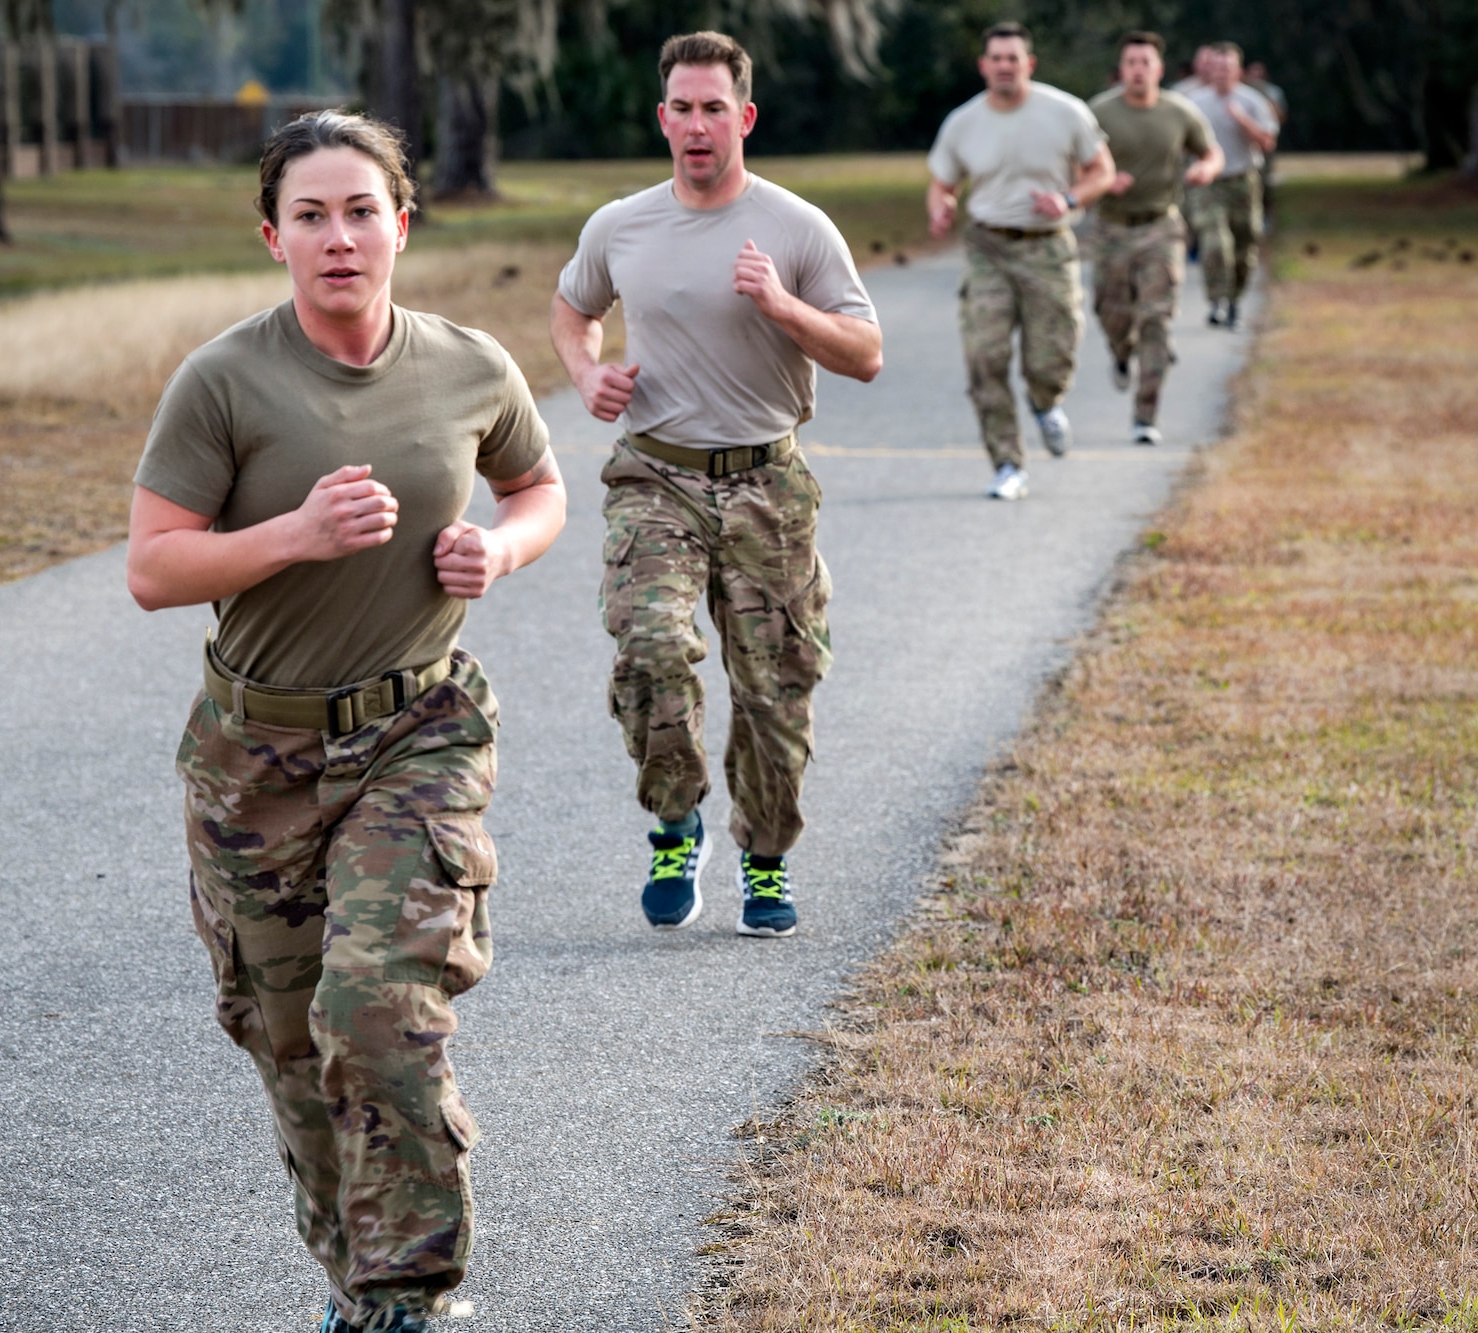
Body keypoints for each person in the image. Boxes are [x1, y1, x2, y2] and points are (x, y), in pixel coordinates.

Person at [125, 110, 566, 1333]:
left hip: (417, 728)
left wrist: (503, 546)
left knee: (375, 1009)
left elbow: (537, 484)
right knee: (285, 1040)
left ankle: (406, 1297)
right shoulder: (223, 380)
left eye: (361, 210)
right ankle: (357, 1278)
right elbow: (155, 569)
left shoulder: (469, 363)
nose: (338, 237)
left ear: (401, 226)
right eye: (310, 215)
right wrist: (294, 537)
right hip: (252, 758)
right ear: (273, 237)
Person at [551, 30, 881, 939]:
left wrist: (781, 305)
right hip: (653, 475)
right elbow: (573, 307)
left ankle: (765, 858)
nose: (699, 126)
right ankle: (676, 820)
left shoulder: (795, 227)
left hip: (767, 483)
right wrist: (586, 376)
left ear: (746, 117)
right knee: (650, 647)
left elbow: (866, 354)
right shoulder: (620, 225)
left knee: (773, 689)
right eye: (682, 110)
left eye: (715, 109)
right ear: (663, 119)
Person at [927, 20, 1114, 501]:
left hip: (1048, 244)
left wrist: (1071, 200)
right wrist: (941, 206)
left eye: (1014, 59)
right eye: (997, 58)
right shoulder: (963, 122)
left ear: (1028, 64)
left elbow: (1102, 170)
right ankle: (1007, 464)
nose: (1005, 67)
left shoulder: (1065, 112)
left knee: (1053, 353)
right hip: (988, 248)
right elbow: (942, 182)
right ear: (984, 65)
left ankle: (1046, 402)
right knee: (985, 358)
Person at [1089, 31, 1223, 445]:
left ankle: (1145, 415)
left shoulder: (1179, 112)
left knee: (1156, 320)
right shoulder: (1097, 113)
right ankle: (1121, 352)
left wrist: (1206, 170)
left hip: (1161, 227)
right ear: (1121, 69)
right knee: (1112, 314)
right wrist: (1102, 181)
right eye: (1131, 62)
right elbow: (1072, 164)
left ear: (1159, 69)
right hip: (1111, 228)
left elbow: (1210, 152)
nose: (1138, 70)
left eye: (1146, 62)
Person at [1182, 42, 1278, 329]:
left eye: (1228, 68)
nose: (1222, 73)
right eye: (1217, 67)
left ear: (1239, 71)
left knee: (1244, 244)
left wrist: (1242, 120)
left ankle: (1235, 298)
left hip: (1243, 180)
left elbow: (1268, 142)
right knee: (1215, 244)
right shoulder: (1194, 102)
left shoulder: (1253, 102)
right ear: (1209, 70)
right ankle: (1216, 302)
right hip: (1209, 185)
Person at [1244, 60, 1290, 224]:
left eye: (1259, 72)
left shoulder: (1273, 92)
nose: (1256, 76)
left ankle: (1266, 215)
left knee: (1266, 180)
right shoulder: (1242, 92)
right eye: (1253, 72)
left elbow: (1281, 116)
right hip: (1246, 145)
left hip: (1264, 140)